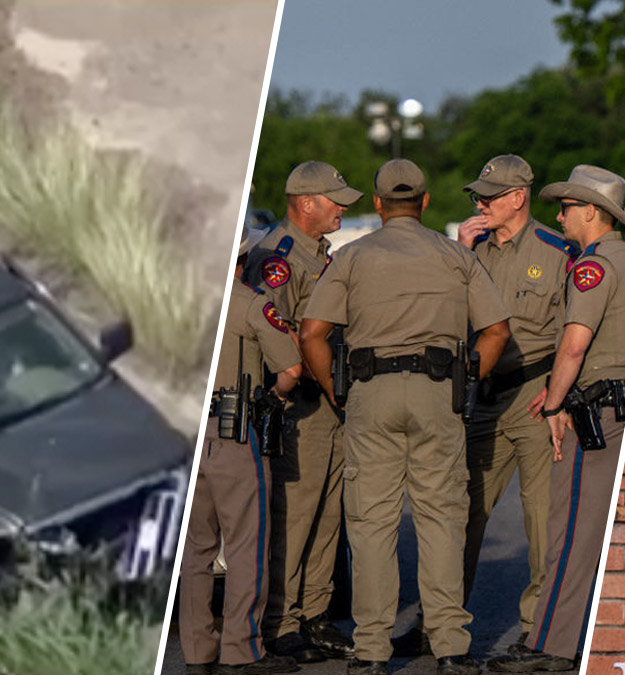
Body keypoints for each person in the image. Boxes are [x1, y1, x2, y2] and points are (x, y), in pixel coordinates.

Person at [298, 159, 512, 675]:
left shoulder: (352, 257)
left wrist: (336, 391)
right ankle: (450, 647)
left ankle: (371, 651)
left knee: (371, 524)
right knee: (442, 519)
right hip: (438, 392)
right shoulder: (453, 256)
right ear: (425, 202)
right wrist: (468, 376)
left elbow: (311, 333)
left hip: (369, 394)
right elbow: (498, 329)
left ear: (376, 204)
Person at [488, 165, 625, 673]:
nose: (558, 216)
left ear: (591, 213)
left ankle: (548, 648)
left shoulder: (593, 266)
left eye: (566, 207)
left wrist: (555, 404)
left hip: (597, 410)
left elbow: (574, 345)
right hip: (623, 401)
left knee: (571, 534)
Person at [457, 155, 577, 647]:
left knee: (541, 519)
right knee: (459, 512)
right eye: (478, 195)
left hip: (535, 395)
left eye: (490, 195)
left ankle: (537, 631)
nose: (480, 203)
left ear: (518, 198)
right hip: (482, 397)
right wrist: (459, 254)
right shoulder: (473, 249)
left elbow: (579, 329)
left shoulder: (558, 251)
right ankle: (442, 624)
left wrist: (559, 395)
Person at [245, 161, 362, 663]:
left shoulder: (320, 255)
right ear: (306, 202)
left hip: (332, 401)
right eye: (335, 200)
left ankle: (315, 615)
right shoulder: (279, 256)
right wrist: (322, 380)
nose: (342, 208)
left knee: (327, 514)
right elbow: (277, 333)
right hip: (302, 404)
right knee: (293, 515)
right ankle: (281, 620)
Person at [180, 227, 304, 675]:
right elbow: (290, 368)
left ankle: (197, 650)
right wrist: (275, 396)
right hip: (234, 427)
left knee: (195, 550)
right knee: (247, 543)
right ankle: (241, 648)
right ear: (243, 255)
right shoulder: (252, 303)